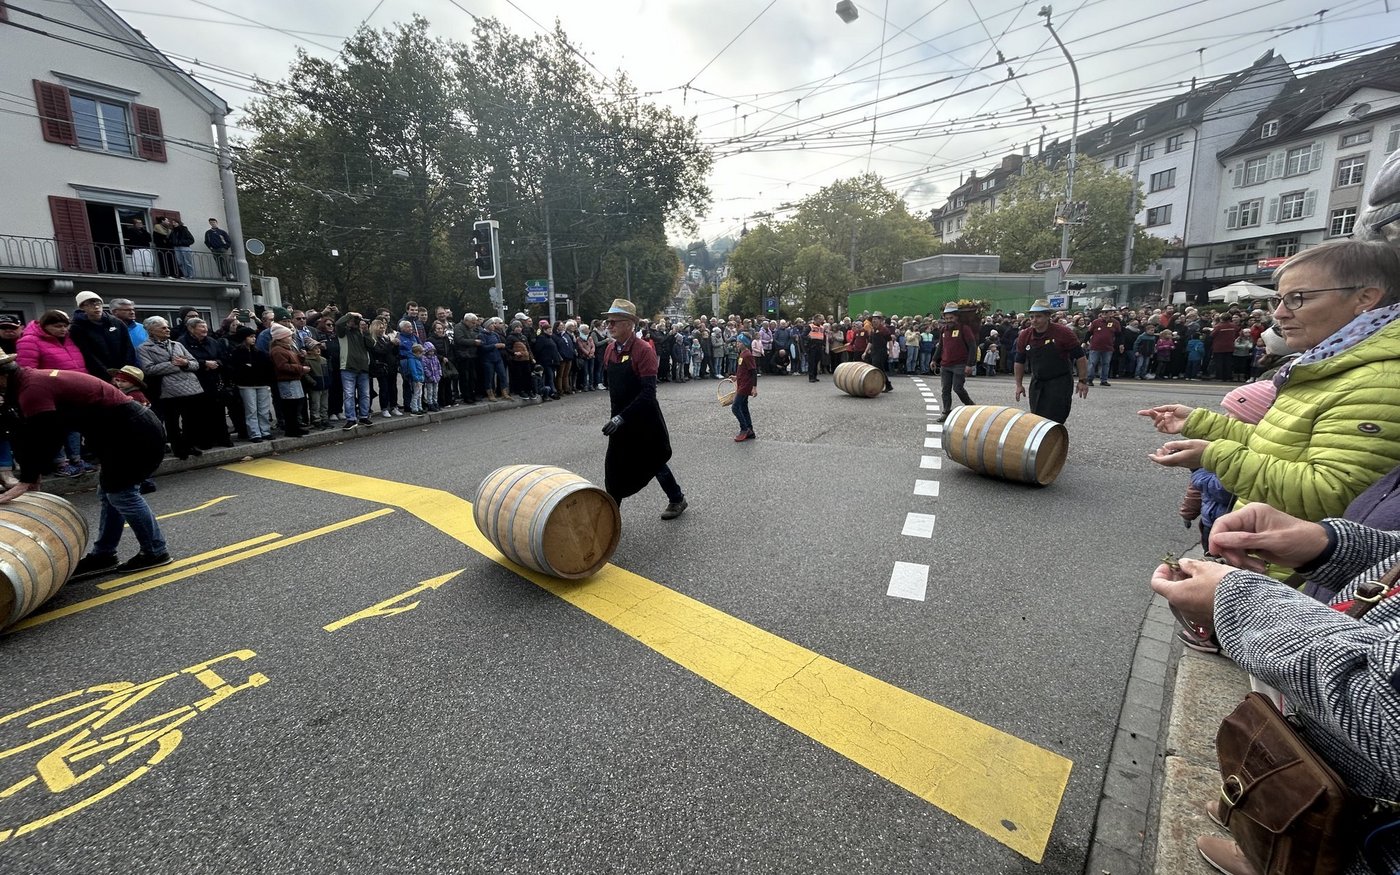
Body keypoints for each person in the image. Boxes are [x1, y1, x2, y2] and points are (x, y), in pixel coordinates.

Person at [1150, 502, 1400, 875]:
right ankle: (1263, 836)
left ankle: (1272, 855)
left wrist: (1238, 604)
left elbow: (1385, 707)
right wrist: (1327, 546)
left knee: (1313, 839)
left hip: (1366, 834)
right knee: (1289, 796)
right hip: (1327, 760)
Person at [1142, 238, 1400, 524]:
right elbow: (1280, 444)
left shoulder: (1379, 380)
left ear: (1365, 298)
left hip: (1292, 549)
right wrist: (1199, 422)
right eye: (1278, 300)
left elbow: (1332, 494)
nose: (1278, 314)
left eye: (1297, 298)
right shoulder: (1332, 362)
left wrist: (1213, 455)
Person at [0, 356, 171, 575]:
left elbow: (46, 436)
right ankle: (104, 554)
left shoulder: (31, 389)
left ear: (2, 375)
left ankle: (156, 551)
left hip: (133, 431)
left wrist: (28, 479)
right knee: (109, 493)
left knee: (122, 494)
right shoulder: (25, 384)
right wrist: (31, 474)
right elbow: (28, 433)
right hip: (120, 432)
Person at [598, 299, 686, 520]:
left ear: (629, 324)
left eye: (614, 322)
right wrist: (616, 417)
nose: (609, 326)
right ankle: (611, 516)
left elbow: (648, 393)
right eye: (608, 322)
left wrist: (621, 418)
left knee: (653, 461)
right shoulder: (610, 350)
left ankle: (677, 498)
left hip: (643, 419)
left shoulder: (643, 350)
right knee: (613, 468)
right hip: (619, 418)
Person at [1013, 299, 1089, 424]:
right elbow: (1019, 361)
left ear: (1048, 316)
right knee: (1037, 419)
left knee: (1056, 419)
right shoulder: (1025, 335)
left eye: (1038, 316)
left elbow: (1080, 357)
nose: (1034, 320)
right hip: (1037, 382)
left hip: (1060, 382)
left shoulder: (1063, 332)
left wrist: (1082, 381)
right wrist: (1019, 385)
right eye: (1031, 317)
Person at [69, 291, 136, 380]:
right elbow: (88, 355)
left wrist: (126, 371)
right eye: (90, 304)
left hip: (123, 372)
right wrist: (107, 375)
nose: (96, 307)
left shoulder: (116, 322)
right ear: (82, 307)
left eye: (98, 303)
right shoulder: (77, 327)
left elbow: (128, 347)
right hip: (98, 375)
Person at [228, 326, 274, 442]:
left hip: (261, 383)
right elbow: (235, 369)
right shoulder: (237, 353)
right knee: (251, 410)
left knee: (263, 410)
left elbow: (267, 366)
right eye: (251, 337)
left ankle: (265, 431)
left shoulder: (259, 352)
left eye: (254, 336)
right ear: (244, 338)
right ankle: (255, 433)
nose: (254, 339)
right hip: (246, 385)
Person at [934, 304, 976, 422]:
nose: (949, 320)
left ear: (956, 317)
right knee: (945, 390)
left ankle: (971, 406)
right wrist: (934, 359)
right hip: (945, 364)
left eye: (951, 318)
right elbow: (940, 346)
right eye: (947, 318)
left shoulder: (964, 329)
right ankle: (946, 411)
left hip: (960, 364)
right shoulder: (943, 330)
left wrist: (969, 364)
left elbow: (972, 346)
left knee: (958, 388)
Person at [335, 311, 375, 427]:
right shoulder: (343, 333)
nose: (355, 323)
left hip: (363, 368)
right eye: (353, 321)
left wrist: (366, 331)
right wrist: (350, 315)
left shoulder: (362, 334)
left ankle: (364, 416)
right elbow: (338, 324)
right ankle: (351, 419)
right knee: (349, 394)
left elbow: (371, 344)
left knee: (365, 394)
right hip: (348, 367)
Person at [269, 323, 309, 436]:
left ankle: (295, 427)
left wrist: (301, 357)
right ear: (281, 338)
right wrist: (301, 369)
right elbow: (283, 366)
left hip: (293, 379)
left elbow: (291, 362)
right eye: (288, 336)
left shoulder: (287, 349)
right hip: (286, 381)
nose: (291, 338)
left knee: (296, 405)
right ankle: (291, 429)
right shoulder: (278, 350)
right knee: (290, 406)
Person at [731, 332, 758, 441]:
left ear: (745, 343)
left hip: (745, 386)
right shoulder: (742, 354)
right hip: (741, 383)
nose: (737, 344)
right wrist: (736, 377)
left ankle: (744, 429)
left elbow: (753, 371)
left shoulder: (748, 355)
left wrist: (754, 387)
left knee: (735, 407)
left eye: (740, 342)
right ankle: (750, 429)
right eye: (737, 342)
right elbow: (743, 370)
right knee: (743, 407)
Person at [1085, 306, 1120, 386]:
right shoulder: (1096, 322)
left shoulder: (1115, 323)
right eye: (1104, 312)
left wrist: (1120, 344)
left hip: (1108, 347)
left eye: (1107, 312)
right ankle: (1089, 379)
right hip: (1095, 346)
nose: (1104, 314)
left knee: (1106, 364)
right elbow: (1089, 332)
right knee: (1092, 363)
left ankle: (1104, 380)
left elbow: (1119, 334)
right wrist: (1085, 341)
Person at [863, 311, 894, 392]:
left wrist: (891, 352)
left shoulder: (884, 329)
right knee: (879, 369)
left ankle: (876, 384)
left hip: (881, 352)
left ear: (880, 320)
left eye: (876, 319)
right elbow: (870, 342)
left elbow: (890, 341)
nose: (874, 320)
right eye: (873, 319)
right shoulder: (872, 330)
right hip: (874, 351)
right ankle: (888, 385)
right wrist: (865, 352)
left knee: (876, 367)